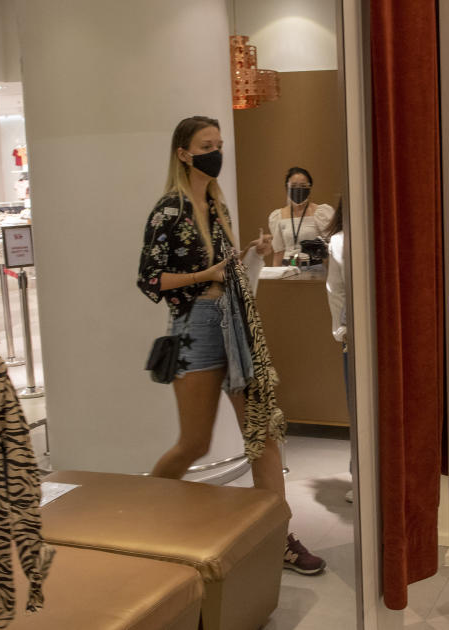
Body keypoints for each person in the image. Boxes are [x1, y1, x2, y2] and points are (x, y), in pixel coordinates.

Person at [137, 115, 326, 575]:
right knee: (194, 443)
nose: (215, 152)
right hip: (194, 326)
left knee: (263, 435)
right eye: (207, 145)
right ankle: (141, 513)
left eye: (219, 144)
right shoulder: (169, 211)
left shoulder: (217, 208)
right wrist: (208, 275)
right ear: (184, 153)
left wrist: (250, 256)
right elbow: (151, 280)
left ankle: (278, 537)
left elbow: (225, 269)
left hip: (235, 321)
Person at [323, 205, 353, 503]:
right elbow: (336, 290)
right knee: (357, 406)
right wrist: (341, 331)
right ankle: (361, 475)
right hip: (354, 333)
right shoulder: (340, 241)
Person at [268, 167, 334, 278]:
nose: (298, 189)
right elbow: (278, 252)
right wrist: (276, 278)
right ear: (287, 188)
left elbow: (330, 250)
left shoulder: (321, 213)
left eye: (303, 186)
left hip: (315, 271)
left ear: (310, 188)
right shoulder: (278, 216)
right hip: (287, 271)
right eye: (293, 186)